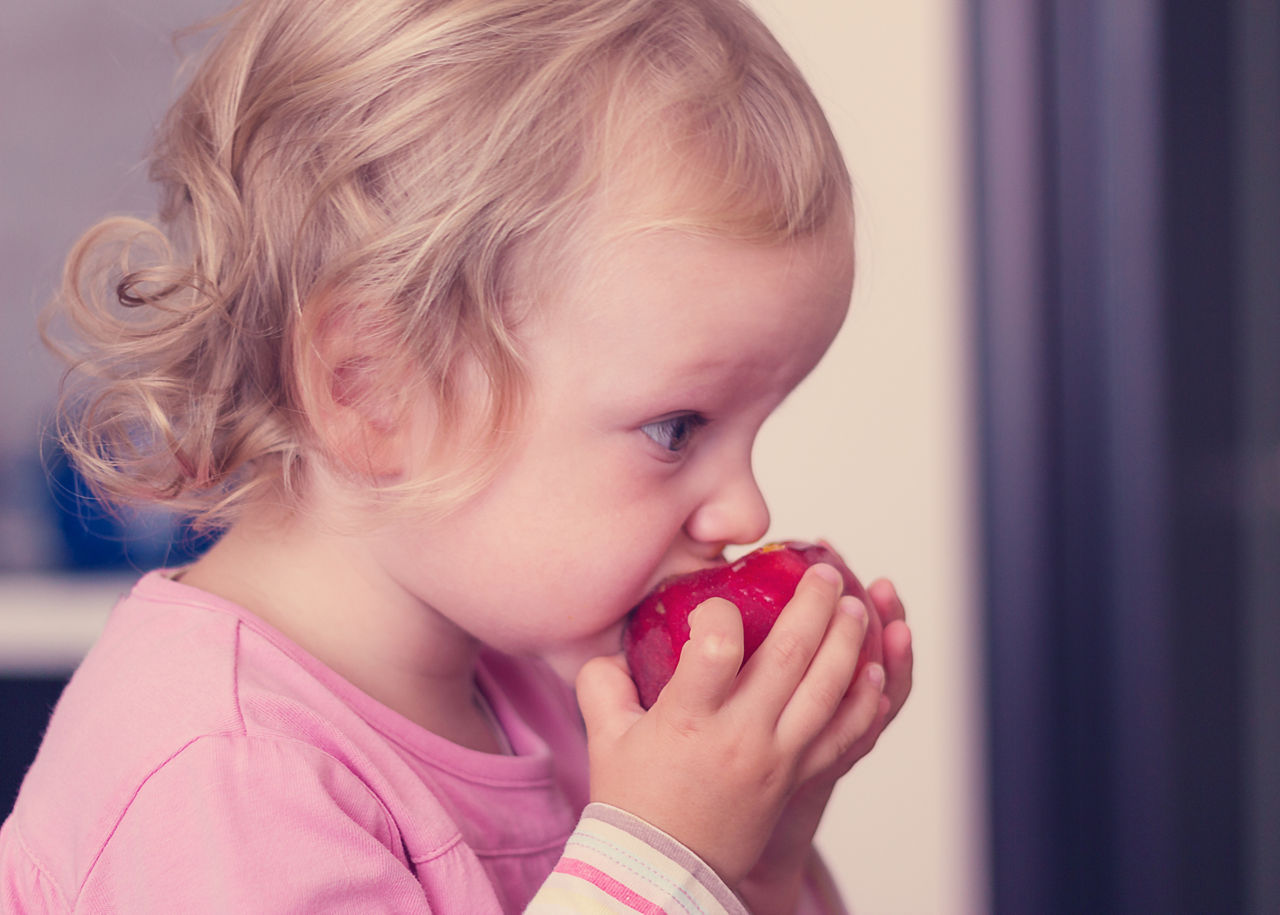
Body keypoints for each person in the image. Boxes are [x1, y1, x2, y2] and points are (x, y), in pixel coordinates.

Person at [1, 0, 914, 911]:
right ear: (375, 387)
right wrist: (665, 857)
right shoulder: (219, 774)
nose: (746, 513)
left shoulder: (539, 690)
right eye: (676, 428)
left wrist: (757, 864)